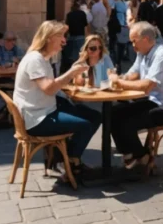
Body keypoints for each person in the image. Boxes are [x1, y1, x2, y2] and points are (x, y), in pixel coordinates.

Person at [13, 21, 101, 176]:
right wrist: (72, 73)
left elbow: (50, 88)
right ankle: (69, 161)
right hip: (37, 119)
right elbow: (48, 88)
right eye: (60, 35)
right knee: (86, 124)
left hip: (43, 109)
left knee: (93, 115)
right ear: (48, 38)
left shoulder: (43, 58)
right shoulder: (35, 60)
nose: (64, 40)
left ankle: (66, 159)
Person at [110, 22, 163, 170]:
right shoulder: (143, 53)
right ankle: (132, 154)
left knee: (127, 122)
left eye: (134, 40)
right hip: (154, 100)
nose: (132, 45)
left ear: (145, 39)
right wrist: (121, 78)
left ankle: (141, 156)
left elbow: (147, 86)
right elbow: (134, 73)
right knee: (113, 113)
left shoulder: (162, 55)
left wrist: (118, 82)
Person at [109, 0, 131, 69]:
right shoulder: (124, 3)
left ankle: (115, 62)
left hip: (115, 24)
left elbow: (110, 12)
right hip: (123, 24)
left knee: (114, 44)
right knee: (121, 43)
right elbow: (127, 13)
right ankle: (119, 60)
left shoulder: (113, 2)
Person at [64, 0, 89, 68]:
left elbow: (67, 27)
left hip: (72, 37)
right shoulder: (82, 14)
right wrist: (86, 37)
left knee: (72, 57)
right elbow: (85, 26)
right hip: (81, 37)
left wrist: (65, 36)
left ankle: (73, 70)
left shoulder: (69, 15)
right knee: (81, 55)